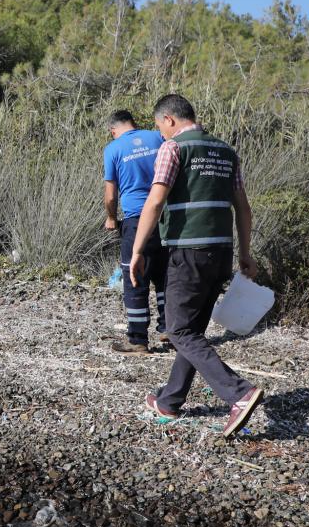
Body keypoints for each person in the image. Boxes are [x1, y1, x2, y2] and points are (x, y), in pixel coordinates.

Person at [130, 94, 266, 438]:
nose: (160, 133)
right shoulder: (226, 151)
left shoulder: (174, 148)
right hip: (220, 252)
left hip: (188, 251)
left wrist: (137, 249)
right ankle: (169, 401)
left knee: (179, 331)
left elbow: (156, 199)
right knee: (192, 331)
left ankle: (239, 393)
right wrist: (245, 252)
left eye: (160, 126)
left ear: (170, 120)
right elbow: (243, 208)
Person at [102, 109, 167, 354]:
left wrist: (110, 218)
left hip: (136, 218)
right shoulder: (157, 137)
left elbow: (110, 194)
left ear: (113, 130)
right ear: (134, 123)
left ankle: (138, 339)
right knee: (164, 274)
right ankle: (168, 329)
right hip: (164, 216)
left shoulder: (113, 149)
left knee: (134, 275)